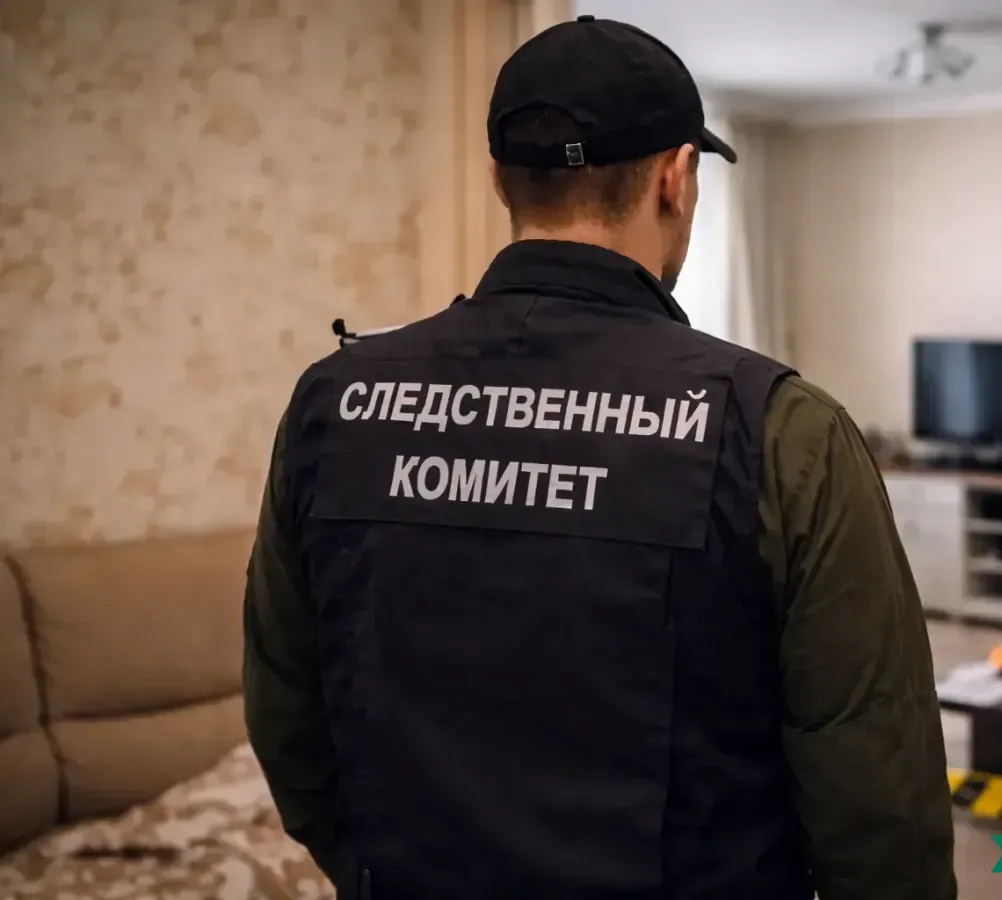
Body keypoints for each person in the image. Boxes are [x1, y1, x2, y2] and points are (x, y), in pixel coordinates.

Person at [243, 14, 955, 900]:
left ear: (500, 178)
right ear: (675, 179)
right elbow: (883, 815)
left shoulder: (333, 404)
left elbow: (289, 721)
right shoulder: (781, 431)